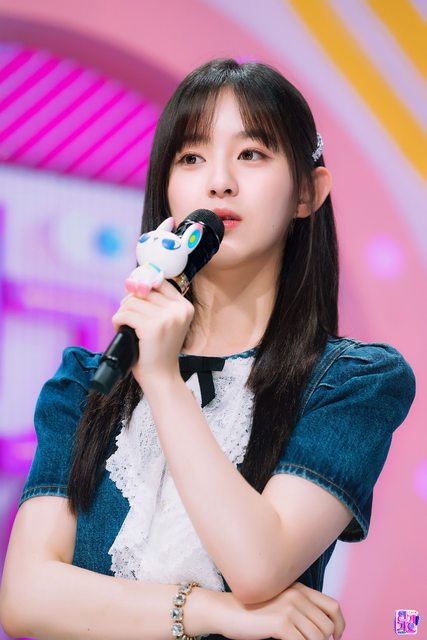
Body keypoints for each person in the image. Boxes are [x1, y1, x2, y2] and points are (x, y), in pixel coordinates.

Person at [0, 58, 415, 640]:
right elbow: (25, 597)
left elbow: (258, 565)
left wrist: (163, 381)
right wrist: (209, 612)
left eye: (252, 154)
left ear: (307, 192)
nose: (218, 182)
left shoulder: (352, 381)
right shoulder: (84, 383)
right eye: (192, 157)